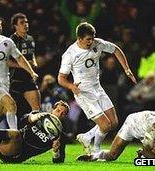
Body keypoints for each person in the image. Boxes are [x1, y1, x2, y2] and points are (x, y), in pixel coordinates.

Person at [58, 22, 137, 154]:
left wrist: (126, 69)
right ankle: (96, 149)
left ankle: (87, 137)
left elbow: (116, 49)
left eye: (93, 38)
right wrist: (71, 86)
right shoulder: (70, 54)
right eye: (88, 39)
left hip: (97, 88)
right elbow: (61, 78)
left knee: (114, 122)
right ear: (80, 38)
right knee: (105, 125)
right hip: (83, 92)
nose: (91, 41)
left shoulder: (97, 43)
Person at [77, 109, 155, 161]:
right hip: (132, 123)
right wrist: (144, 153)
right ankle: (92, 157)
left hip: (146, 130)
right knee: (112, 156)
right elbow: (147, 149)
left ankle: (142, 156)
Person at [9, 13, 41, 117]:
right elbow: (6, 61)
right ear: (16, 26)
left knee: (36, 110)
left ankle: (34, 132)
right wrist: (24, 66)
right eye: (22, 23)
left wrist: (34, 62)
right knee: (11, 112)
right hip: (15, 81)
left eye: (26, 22)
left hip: (28, 80)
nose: (25, 25)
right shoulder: (11, 41)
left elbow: (32, 54)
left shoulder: (31, 39)